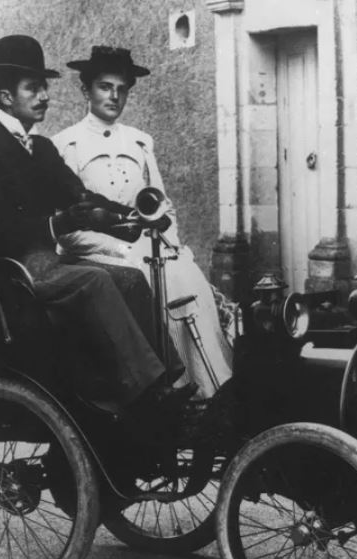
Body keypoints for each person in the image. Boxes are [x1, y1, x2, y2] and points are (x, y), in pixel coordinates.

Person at [0, 34, 194, 435]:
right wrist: (58, 224)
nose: (45, 96)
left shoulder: (42, 150)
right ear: (5, 96)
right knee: (96, 278)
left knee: (132, 278)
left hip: (47, 267)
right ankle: (146, 389)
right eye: (34, 87)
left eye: (45, 86)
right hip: (9, 275)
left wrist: (130, 214)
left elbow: (80, 195)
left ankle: (167, 380)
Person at [52, 46, 232, 398]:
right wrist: (123, 249)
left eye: (122, 88)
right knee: (148, 276)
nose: (114, 96)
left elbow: (162, 206)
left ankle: (210, 390)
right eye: (105, 86)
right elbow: (69, 232)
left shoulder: (139, 143)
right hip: (98, 253)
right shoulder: (66, 145)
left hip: (145, 246)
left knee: (185, 274)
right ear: (85, 90)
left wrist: (173, 244)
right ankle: (171, 386)